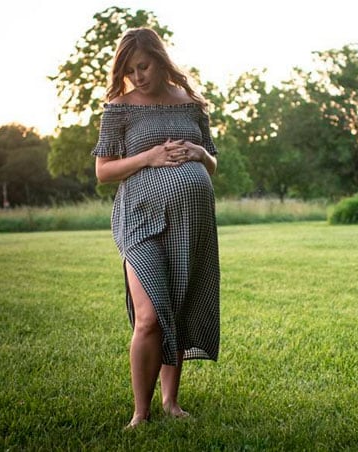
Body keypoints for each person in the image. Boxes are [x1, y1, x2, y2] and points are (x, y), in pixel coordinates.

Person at [91, 27, 220, 429]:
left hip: (191, 222)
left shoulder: (193, 105)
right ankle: (139, 414)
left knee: (176, 307)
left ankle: (171, 402)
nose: (138, 76)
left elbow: (212, 163)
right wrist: (149, 156)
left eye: (143, 66)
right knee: (148, 316)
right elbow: (103, 172)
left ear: (161, 61)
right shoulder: (119, 109)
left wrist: (199, 152)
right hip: (139, 220)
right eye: (130, 70)